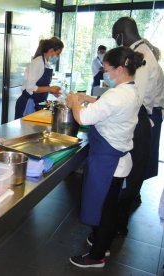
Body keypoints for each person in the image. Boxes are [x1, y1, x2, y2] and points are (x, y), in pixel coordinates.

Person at [66, 46, 145, 268]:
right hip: (118, 159)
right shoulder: (132, 89)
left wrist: (74, 101)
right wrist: (87, 97)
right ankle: (103, 241)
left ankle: (97, 255)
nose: (106, 74)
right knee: (108, 205)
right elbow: (110, 106)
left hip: (108, 162)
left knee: (105, 208)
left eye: (108, 70)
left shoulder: (116, 95)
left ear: (120, 69)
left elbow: (82, 118)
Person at [112, 17, 164, 235]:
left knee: (133, 172)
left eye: (116, 39)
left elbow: (137, 100)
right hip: (146, 115)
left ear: (122, 36)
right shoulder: (143, 52)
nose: (117, 43)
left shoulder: (141, 58)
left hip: (145, 118)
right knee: (136, 169)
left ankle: (119, 224)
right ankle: (125, 211)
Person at [14, 37, 64, 119]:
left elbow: (39, 86)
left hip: (36, 104)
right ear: (51, 51)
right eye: (58, 54)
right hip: (27, 105)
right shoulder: (38, 62)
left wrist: (52, 91)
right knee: (26, 131)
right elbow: (30, 87)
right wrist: (50, 89)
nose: (58, 57)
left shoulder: (45, 64)